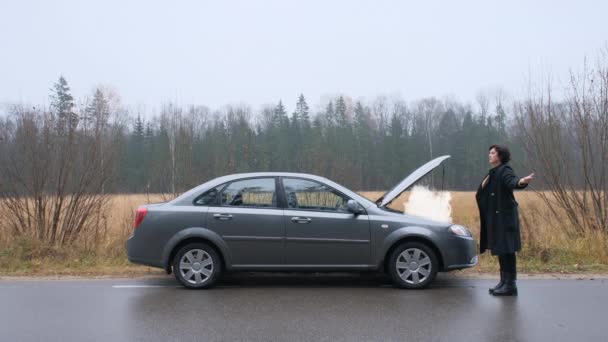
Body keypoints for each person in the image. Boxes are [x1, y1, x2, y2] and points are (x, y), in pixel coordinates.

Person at [475, 145, 534, 296]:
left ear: (500, 156)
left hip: (505, 218)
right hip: (497, 218)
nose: (489, 155)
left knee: (508, 251)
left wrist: (521, 182)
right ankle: (503, 281)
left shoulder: (505, 170)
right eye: (489, 152)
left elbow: (512, 181)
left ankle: (510, 285)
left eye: (492, 153)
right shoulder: (494, 172)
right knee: (502, 250)